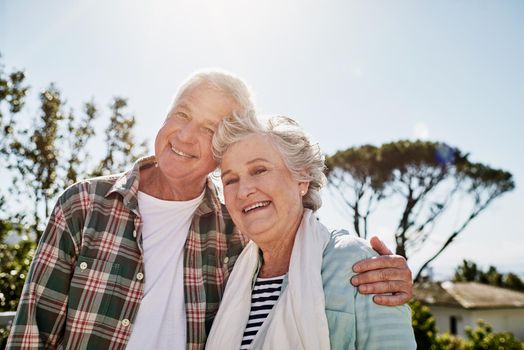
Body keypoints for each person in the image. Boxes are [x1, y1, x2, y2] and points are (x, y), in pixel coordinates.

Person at [7, 70, 413, 350]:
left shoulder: (234, 226)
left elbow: (302, 238)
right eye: (182, 114)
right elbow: (31, 333)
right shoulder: (83, 204)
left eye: (208, 128)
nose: (185, 135)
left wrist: (384, 269)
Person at [206, 112, 416, 349]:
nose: (243, 191)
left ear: (302, 178)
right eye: (231, 180)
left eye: (259, 170)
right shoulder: (229, 273)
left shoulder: (358, 262)